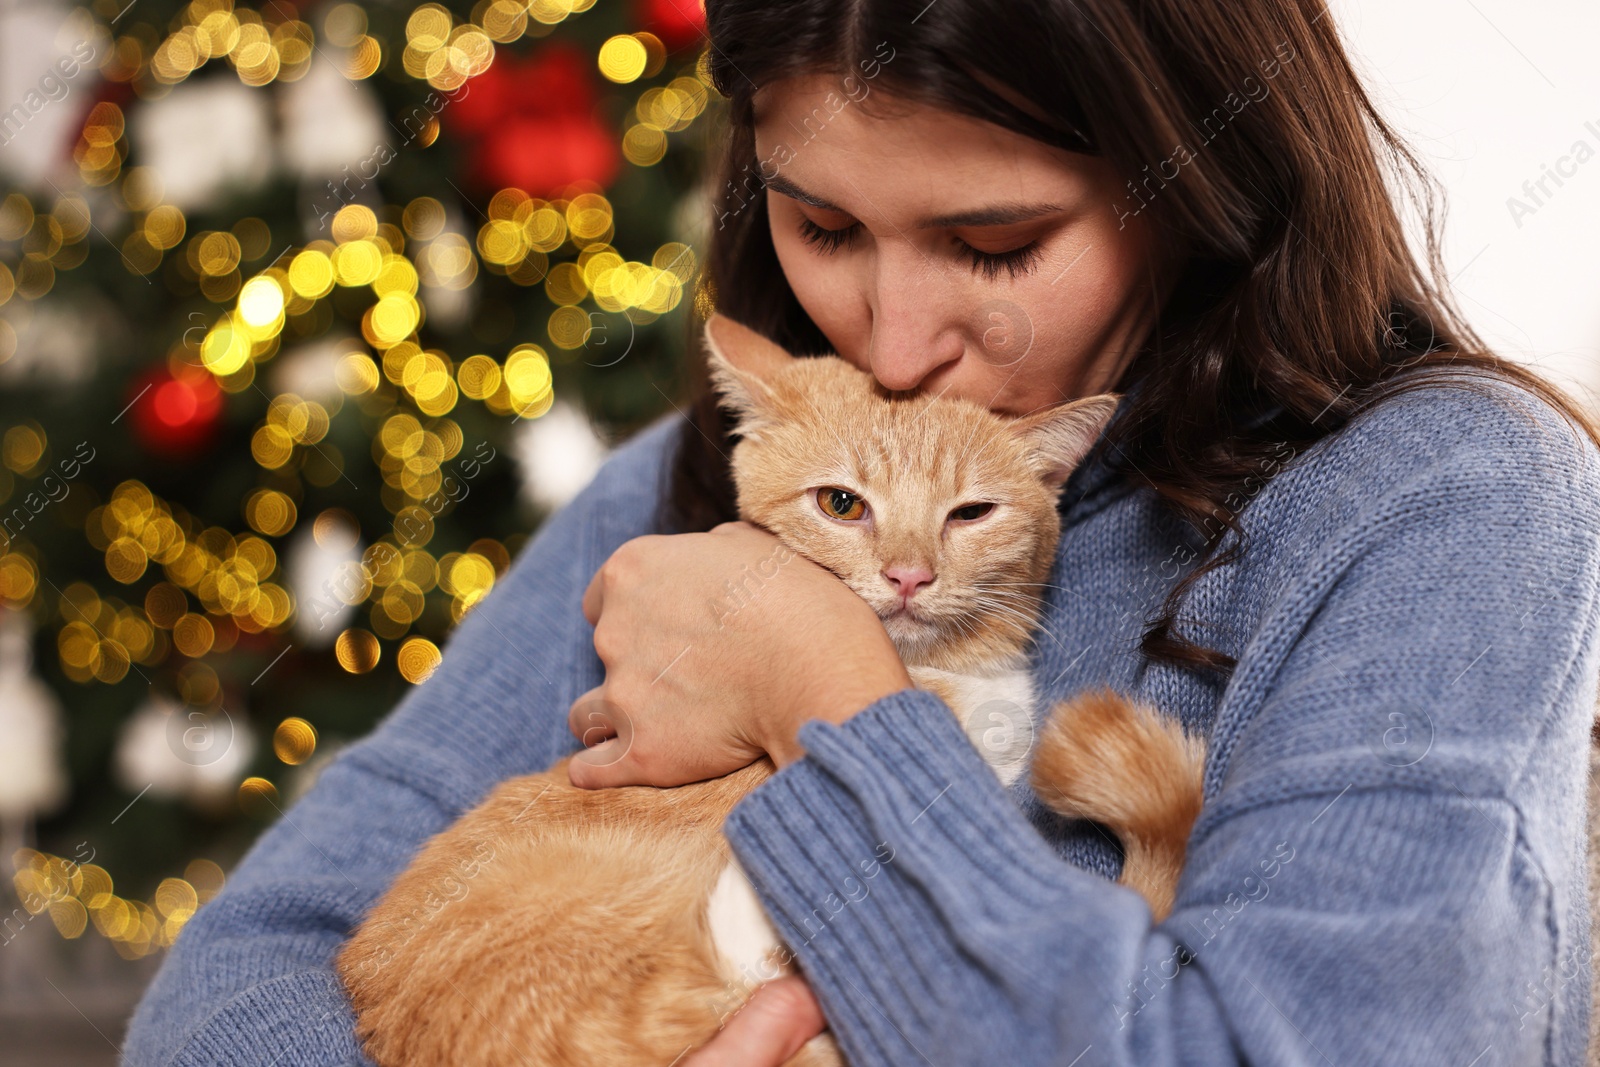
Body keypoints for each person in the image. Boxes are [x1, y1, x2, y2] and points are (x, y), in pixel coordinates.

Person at [121, 0, 1600, 1064]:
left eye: (993, 245)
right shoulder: (685, 483)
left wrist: (825, 692)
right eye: (821, 228)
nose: (891, 341)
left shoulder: (1449, 501)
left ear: (1197, 180)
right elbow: (241, 975)